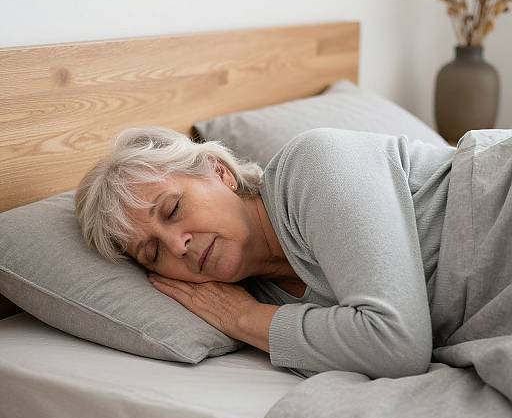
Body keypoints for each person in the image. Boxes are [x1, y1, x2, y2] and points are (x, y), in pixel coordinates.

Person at [75, 126, 457, 379]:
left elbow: (395, 345)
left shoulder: (314, 165)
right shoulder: (268, 297)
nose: (178, 246)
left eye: (173, 209)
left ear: (217, 171)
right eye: (153, 252)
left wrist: (243, 318)